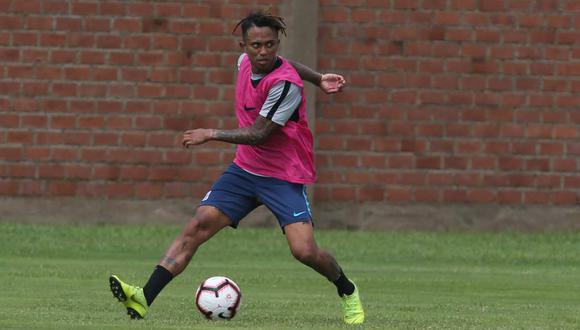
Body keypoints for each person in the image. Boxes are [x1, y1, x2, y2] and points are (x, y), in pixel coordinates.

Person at [109, 10, 364, 325]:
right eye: (256, 45)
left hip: (283, 175)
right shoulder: (245, 63)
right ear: (243, 46)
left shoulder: (286, 86)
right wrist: (318, 77)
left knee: (304, 251)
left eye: (270, 45)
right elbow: (288, 67)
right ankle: (144, 297)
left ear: (277, 44)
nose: (263, 52)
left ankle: (347, 288)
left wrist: (211, 134)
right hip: (245, 170)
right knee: (198, 225)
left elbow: (258, 134)